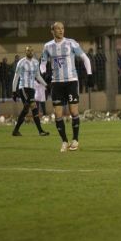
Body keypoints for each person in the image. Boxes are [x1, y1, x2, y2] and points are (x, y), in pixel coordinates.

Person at [40, 22, 93, 152]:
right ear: (52, 31)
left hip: (71, 81)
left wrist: (90, 74)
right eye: (58, 28)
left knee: (73, 111)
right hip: (56, 83)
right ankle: (64, 141)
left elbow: (85, 59)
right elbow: (42, 63)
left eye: (63, 28)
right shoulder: (48, 46)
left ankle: (75, 140)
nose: (61, 30)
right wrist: (44, 74)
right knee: (57, 113)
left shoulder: (71, 43)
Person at [11, 46, 50, 136]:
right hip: (24, 88)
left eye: (32, 50)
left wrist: (46, 85)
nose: (30, 52)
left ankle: (15, 130)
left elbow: (38, 76)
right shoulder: (21, 63)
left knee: (26, 110)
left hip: (32, 88)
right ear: (25, 52)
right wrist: (14, 91)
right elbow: (16, 77)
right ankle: (40, 131)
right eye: (28, 50)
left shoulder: (36, 63)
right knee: (34, 106)